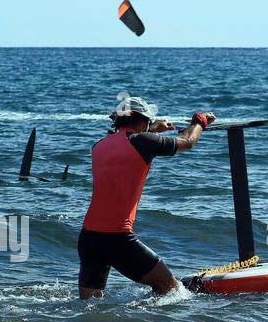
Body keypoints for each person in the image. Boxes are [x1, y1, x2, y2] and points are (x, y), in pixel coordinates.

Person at [77, 96, 214, 299]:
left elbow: (127, 143)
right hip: (118, 240)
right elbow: (188, 141)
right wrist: (199, 121)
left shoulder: (99, 145)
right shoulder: (143, 141)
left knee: (90, 306)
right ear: (143, 121)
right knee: (172, 290)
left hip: (89, 238)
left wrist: (153, 129)